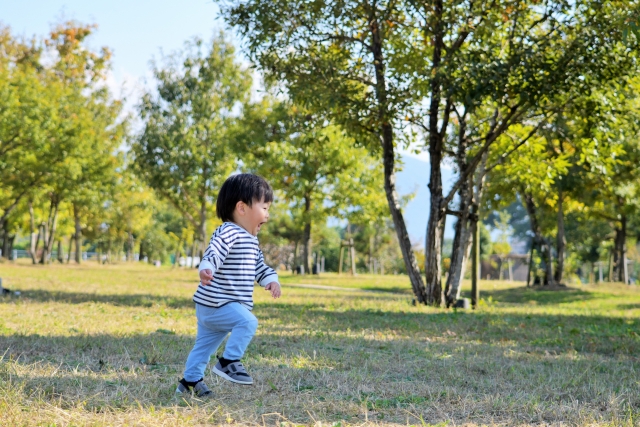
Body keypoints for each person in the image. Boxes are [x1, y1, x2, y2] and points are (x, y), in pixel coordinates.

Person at [176, 174, 282, 397]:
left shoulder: (251, 241)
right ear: (242, 208)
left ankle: (189, 383)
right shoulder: (229, 231)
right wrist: (207, 266)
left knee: (204, 347)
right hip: (218, 303)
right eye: (264, 207)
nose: (267, 214)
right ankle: (229, 361)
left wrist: (271, 279)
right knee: (248, 322)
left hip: (216, 306)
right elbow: (214, 251)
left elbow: (259, 267)